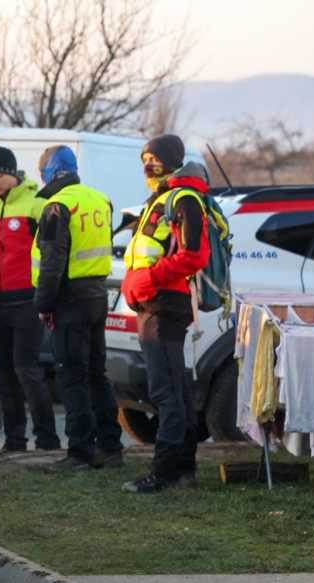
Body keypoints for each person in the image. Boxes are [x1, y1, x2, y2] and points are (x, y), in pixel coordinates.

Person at [120, 134, 211, 493]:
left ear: (172, 160)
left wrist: (148, 279)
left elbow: (194, 255)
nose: (148, 165)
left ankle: (166, 472)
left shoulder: (184, 198)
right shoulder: (162, 198)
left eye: (154, 158)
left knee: (166, 392)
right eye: (144, 159)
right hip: (154, 303)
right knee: (175, 390)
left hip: (164, 305)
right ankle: (183, 470)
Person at [32, 145, 123, 470]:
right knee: (97, 374)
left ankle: (80, 452)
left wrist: (43, 304)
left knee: (72, 376)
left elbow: (52, 263)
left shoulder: (57, 207)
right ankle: (110, 446)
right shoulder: (100, 200)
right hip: (97, 296)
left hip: (69, 301)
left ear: (50, 172)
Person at [0, 146, 60, 456]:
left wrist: (45, 295)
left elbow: (49, 252)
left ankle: (47, 439)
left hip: (26, 300)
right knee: (3, 374)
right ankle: (14, 441)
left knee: (27, 371)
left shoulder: (36, 204)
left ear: (13, 174)